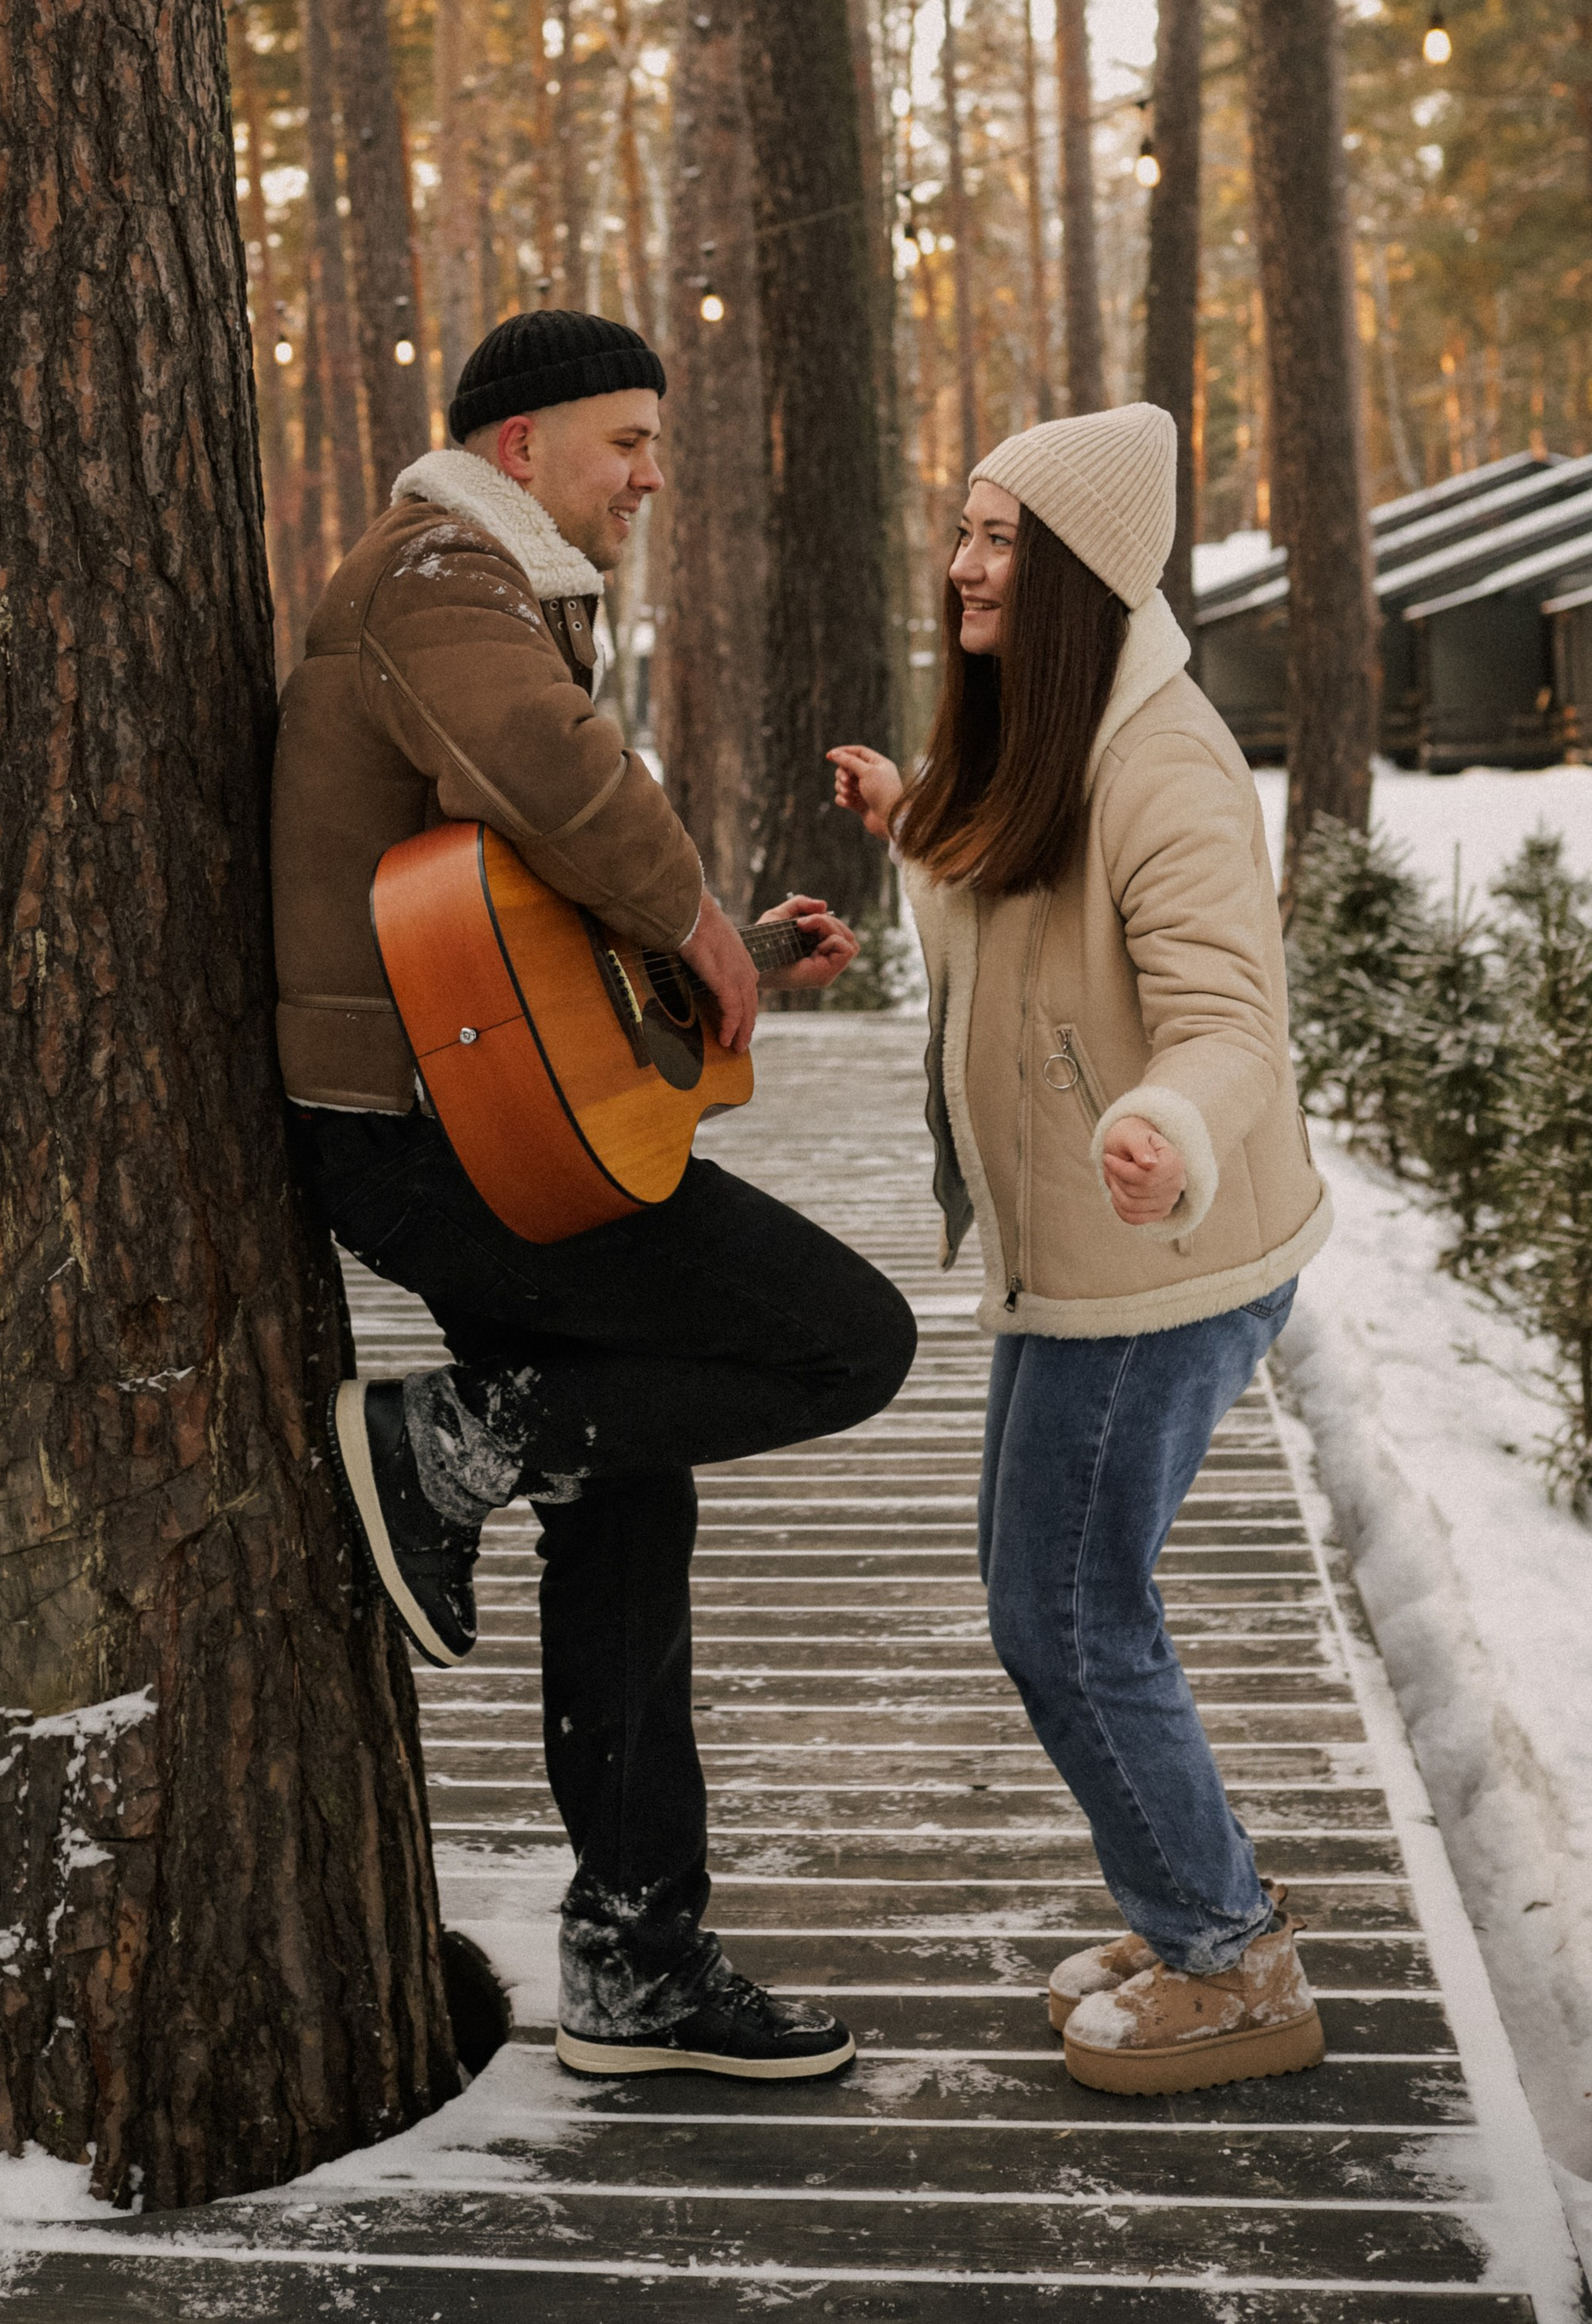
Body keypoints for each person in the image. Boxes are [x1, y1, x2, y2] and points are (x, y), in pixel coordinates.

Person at [274, 306, 917, 2082]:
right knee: (843, 1343)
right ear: (514, 449)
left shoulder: (493, 587)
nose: (646, 473)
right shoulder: (437, 576)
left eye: (649, 442)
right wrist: (691, 912)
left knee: (627, 1491)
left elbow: (489, 904)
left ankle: (638, 1958)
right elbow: (553, 779)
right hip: (432, 1146)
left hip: (476, 1114)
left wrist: (716, 964)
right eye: (620, 439)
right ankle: (445, 1449)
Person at [830, 402, 1332, 2100]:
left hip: (1153, 1268)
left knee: (1064, 1612)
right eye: (964, 531)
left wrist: (1163, 1128)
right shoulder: (1057, 730)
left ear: (1079, 576)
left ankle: (1225, 1960)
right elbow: (1007, 910)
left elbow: (1227, 1027)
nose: (964, 567)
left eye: (999, 543)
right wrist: (906, 827)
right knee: (1045, 1597)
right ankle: (1181, 1904)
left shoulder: (1161, 757)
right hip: (1081, 1258)